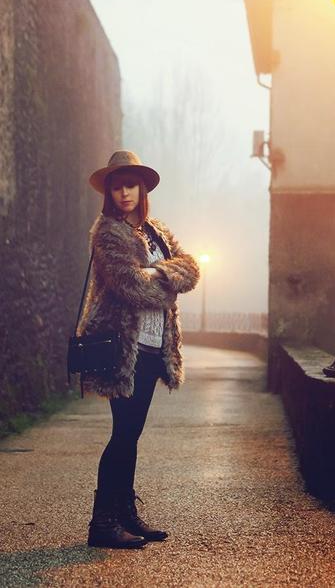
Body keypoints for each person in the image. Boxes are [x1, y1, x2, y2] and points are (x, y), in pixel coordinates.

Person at [76, 150, 200, 549]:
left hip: (152, 346)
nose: (124, 192)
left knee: (133, 433)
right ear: (109, 192)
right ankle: (103, 523)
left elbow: (191, 268)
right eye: (117, 186)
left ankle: (125, 514)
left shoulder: (155, 231)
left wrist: (158, 271)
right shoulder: (108, 232)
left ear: (141, 188)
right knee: (123, 433)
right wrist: (164, 278)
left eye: (131, 185)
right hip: (121, 347)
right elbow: (131, 286)